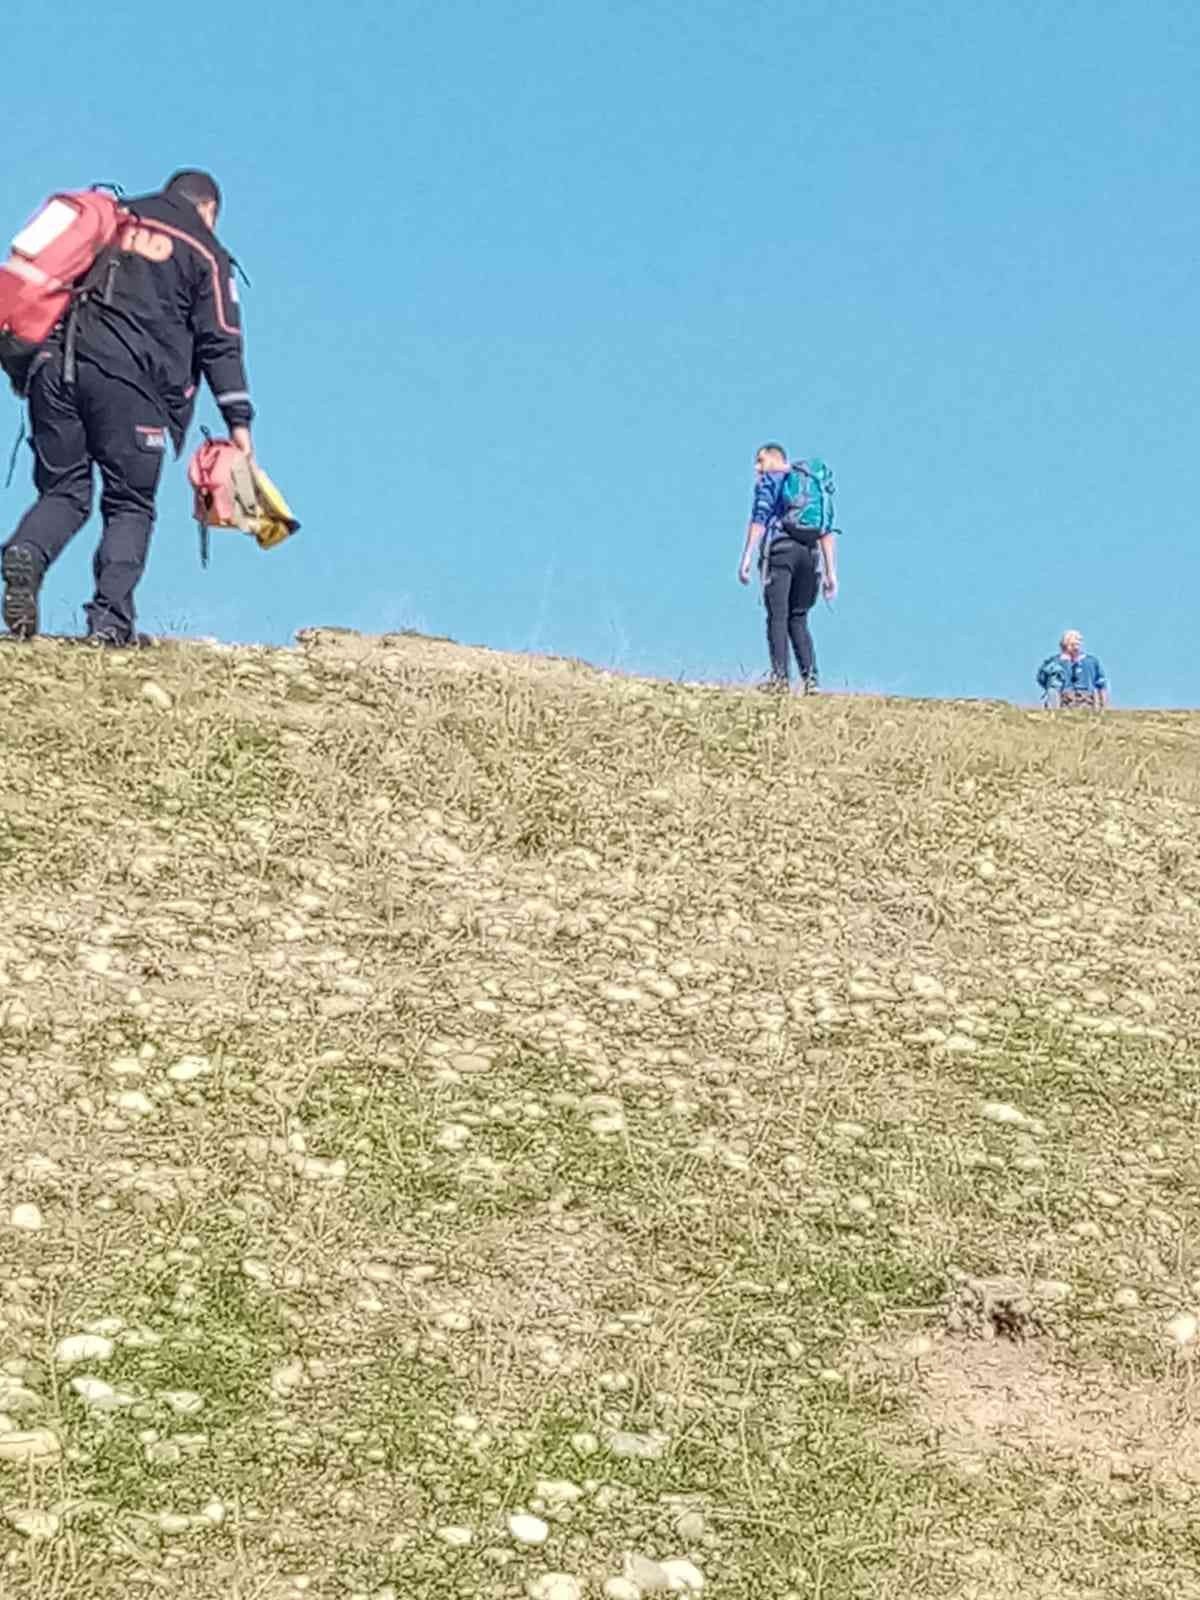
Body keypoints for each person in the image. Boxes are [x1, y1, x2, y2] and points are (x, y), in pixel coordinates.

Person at [2, 170, 254, 645]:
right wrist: (239, 425)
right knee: (129, 503)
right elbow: (220, 342)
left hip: (55, 369)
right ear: (210, 211)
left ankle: (25, 552)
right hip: (132, 387)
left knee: (64, 492)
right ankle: (110, 624)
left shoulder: (112, 218)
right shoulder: (205, 251)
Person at [738, 442, 837, 692]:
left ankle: (780, 679)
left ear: (774, 459)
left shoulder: (770, 481)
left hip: (781, 552)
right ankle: (811, 680)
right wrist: (830, 572)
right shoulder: (812, 485)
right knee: (799, 618)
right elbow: (826, 530)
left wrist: (747, 557)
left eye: (760, 460)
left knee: (777, 616)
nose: (756, 467)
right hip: (810, 556)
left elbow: (759, 519)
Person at [1036, 630, 1109, 709]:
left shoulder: (1091, 662)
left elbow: (1102, 685)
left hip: (1085, 701)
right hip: (1066, 700)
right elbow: (1044, 679)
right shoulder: (1055, 662)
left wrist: (1103, 707)